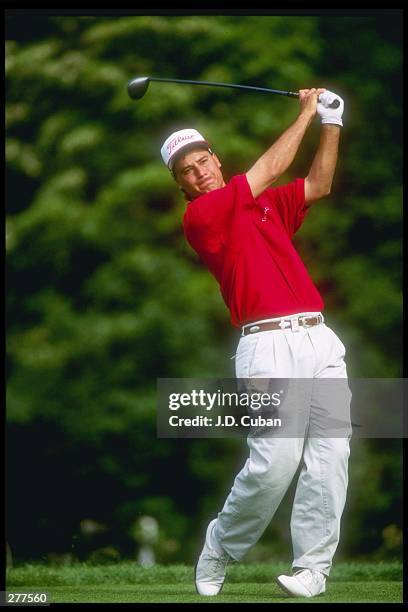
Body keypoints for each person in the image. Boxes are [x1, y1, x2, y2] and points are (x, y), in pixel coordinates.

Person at [160, 88, 351, 599]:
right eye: (187, 171)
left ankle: (313, 568)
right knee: (275, 463)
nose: (199, 172)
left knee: (331, 457)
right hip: (266, 348)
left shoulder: (266, 203)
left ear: (216, 160)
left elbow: (317, 183)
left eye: (203, 161)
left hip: (319, 339)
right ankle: (220, 545)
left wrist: (332, 122)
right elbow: (267, 168)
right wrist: (307, 111)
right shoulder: (202, 217)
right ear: (181, 185)